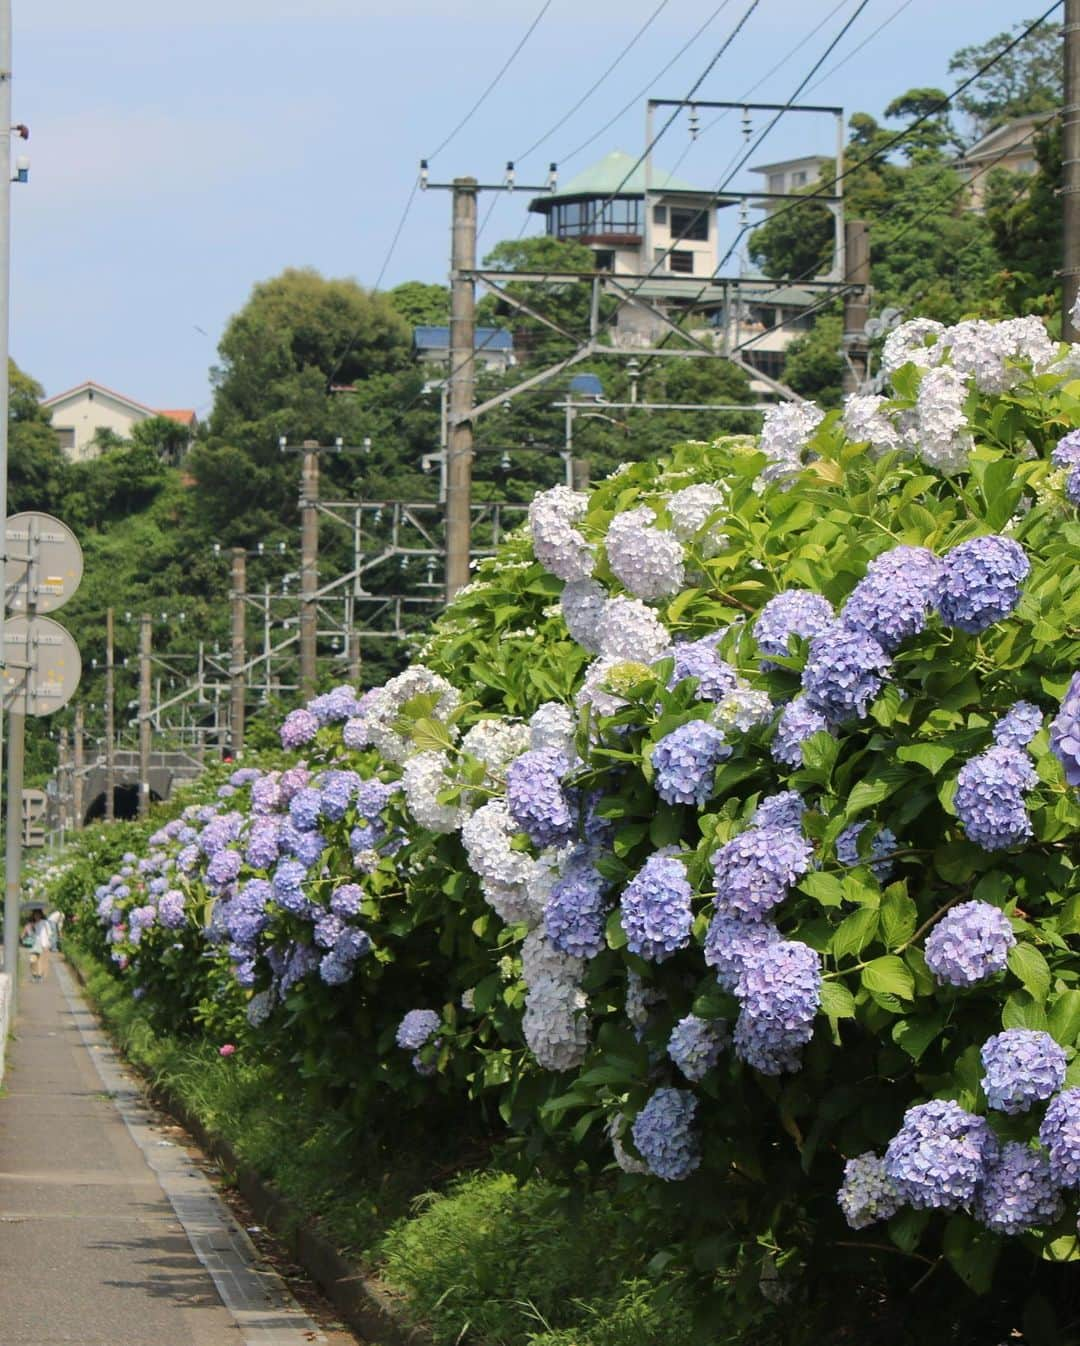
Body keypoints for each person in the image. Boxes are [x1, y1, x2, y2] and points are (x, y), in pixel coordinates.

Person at [28, 908, 53, 983]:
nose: (36, 916)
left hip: (45, 945)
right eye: (35, 914)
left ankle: (40, 976)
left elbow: (50, 933)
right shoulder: (34, 924)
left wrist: (48, 944)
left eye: (38, 914)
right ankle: (35, 974)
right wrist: (31, 928)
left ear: (41, 915)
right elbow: (32, 934)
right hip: (36, 945)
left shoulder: (45, 922)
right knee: (33, 960)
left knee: (42, 961)